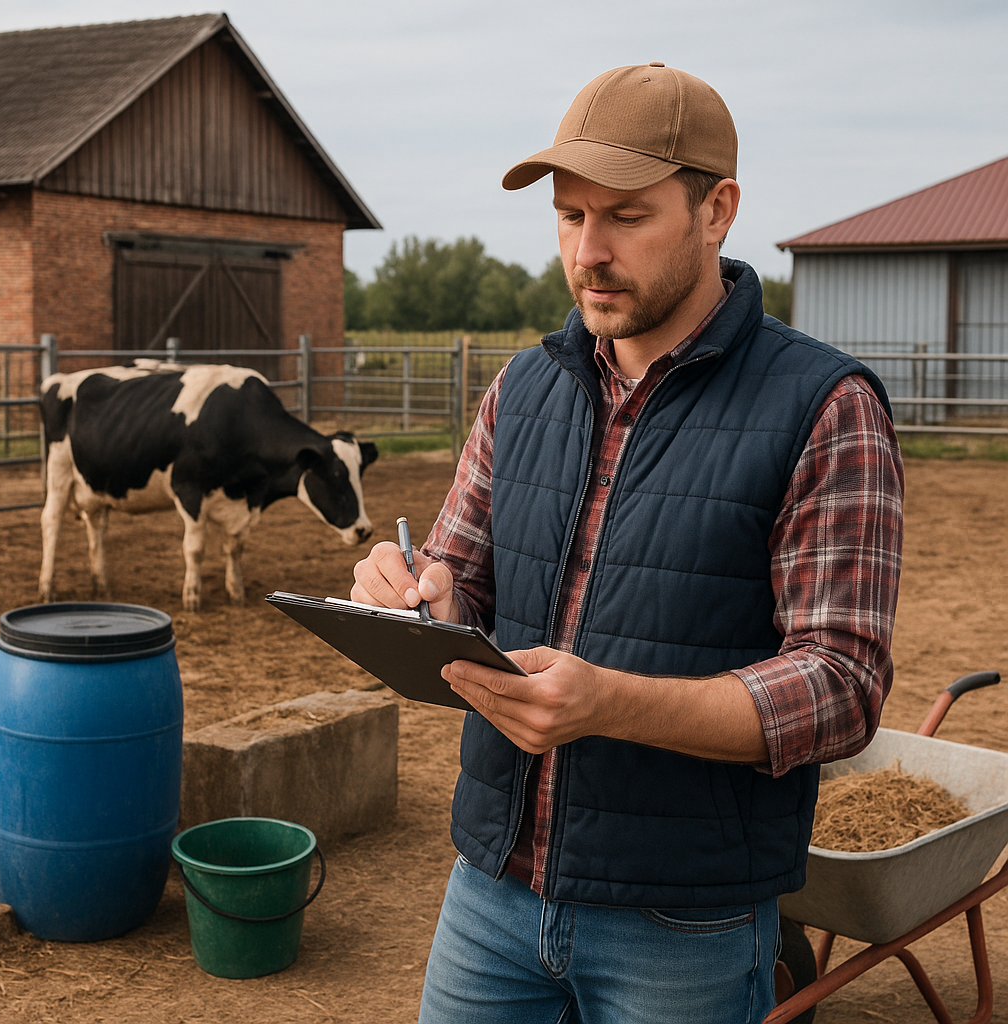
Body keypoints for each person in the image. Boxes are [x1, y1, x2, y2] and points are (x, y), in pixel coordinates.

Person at [352, 63, 904, 1024]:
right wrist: (417, 603)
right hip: (491, 890)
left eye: (626, 217)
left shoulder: (825, 408)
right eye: (570, 216)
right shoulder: (520, 390)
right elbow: (462, 581)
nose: (588, 252)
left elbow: (839, 687)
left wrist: (610, 704)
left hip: (683, 922)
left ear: (717, 209)